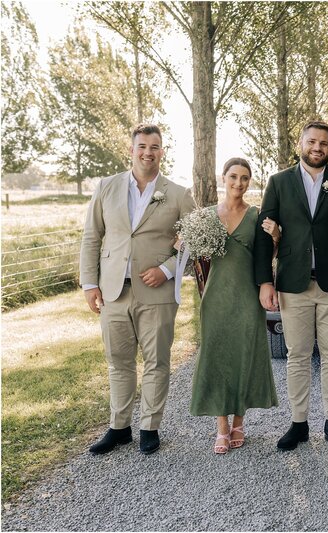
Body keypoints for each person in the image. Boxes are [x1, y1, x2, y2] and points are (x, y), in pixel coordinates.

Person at [253, 120, 328, 452]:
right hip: (293, 284)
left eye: (324, 144)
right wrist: (265, 281)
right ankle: (298, 422)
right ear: (300, 143)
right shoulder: (278, 182)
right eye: (312, 142)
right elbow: (265, 235)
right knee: (298, 355)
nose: (318, 148)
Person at [80, 124, 195, 455]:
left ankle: (149, 427)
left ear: (162, 152)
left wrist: (166, 270)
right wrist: (90, 283)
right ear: (131, 150)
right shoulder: (107, 187)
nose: (148, 152)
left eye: (154, 147)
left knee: (157, 361)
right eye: (142, 146)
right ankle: (119, 427)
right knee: (118, 361)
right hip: (113, 290)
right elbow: (92, 236)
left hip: (157, 293)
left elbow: (191, 240)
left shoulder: (177, 194)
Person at [189, 158, 278, 454]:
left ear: (249, 182)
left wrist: (276, 238)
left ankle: (240, 420)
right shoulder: (205, 216)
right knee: (218, 356)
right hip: (215, 297)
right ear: (223, 178)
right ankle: (222, 427)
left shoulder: (257, 215)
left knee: (244, 355)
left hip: (248, 296)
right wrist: (185, 243)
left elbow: (267, 255)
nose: (238, 183)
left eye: (244, 178)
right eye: (233, 177)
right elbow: (197, 257)